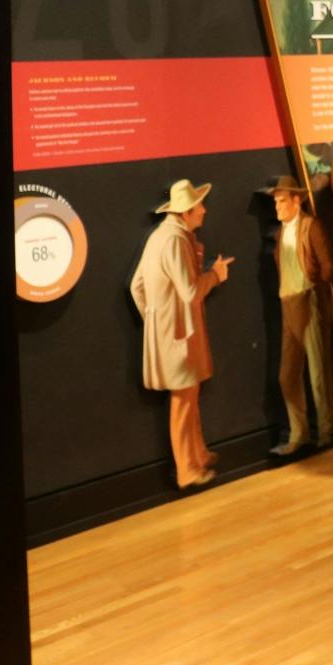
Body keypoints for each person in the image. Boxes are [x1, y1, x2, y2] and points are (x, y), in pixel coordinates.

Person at [131, 180, 233, 489]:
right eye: (200, 205)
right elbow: (190, 291)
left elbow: (137, 286)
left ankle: (198, 455)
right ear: (187, 212)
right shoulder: (175, 240)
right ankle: (187, 470)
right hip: (178, 335)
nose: (204, 209)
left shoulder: (160, 236)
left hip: (170, 333)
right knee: (183, 400)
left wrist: (154, 318)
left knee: (190, 395)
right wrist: (215, 276)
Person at [263, 176, 333, 456]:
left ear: (296, 200)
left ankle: (326, 432)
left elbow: (328, 265)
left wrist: (316, 291)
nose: (277, 207)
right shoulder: (283, 231)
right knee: (287, 375)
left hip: (308, 298)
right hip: (287, 303)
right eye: (275, 202)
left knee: (318, 371)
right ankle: (299, 433)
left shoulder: (310, 226)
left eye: (282, 201)